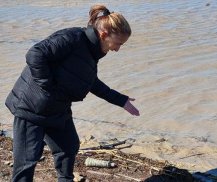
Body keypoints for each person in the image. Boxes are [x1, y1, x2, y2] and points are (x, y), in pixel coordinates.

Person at [5, 4, 140, 182]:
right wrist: (47, 87)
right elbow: (35, 54)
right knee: (27, 161)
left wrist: (120, 100)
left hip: (57, 108)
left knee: (68, 146)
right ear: (104, 34)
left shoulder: (92, 52)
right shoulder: (72, 38)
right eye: (118, 43)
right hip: (31, 107)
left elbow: (90, 82)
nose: (117, 49)